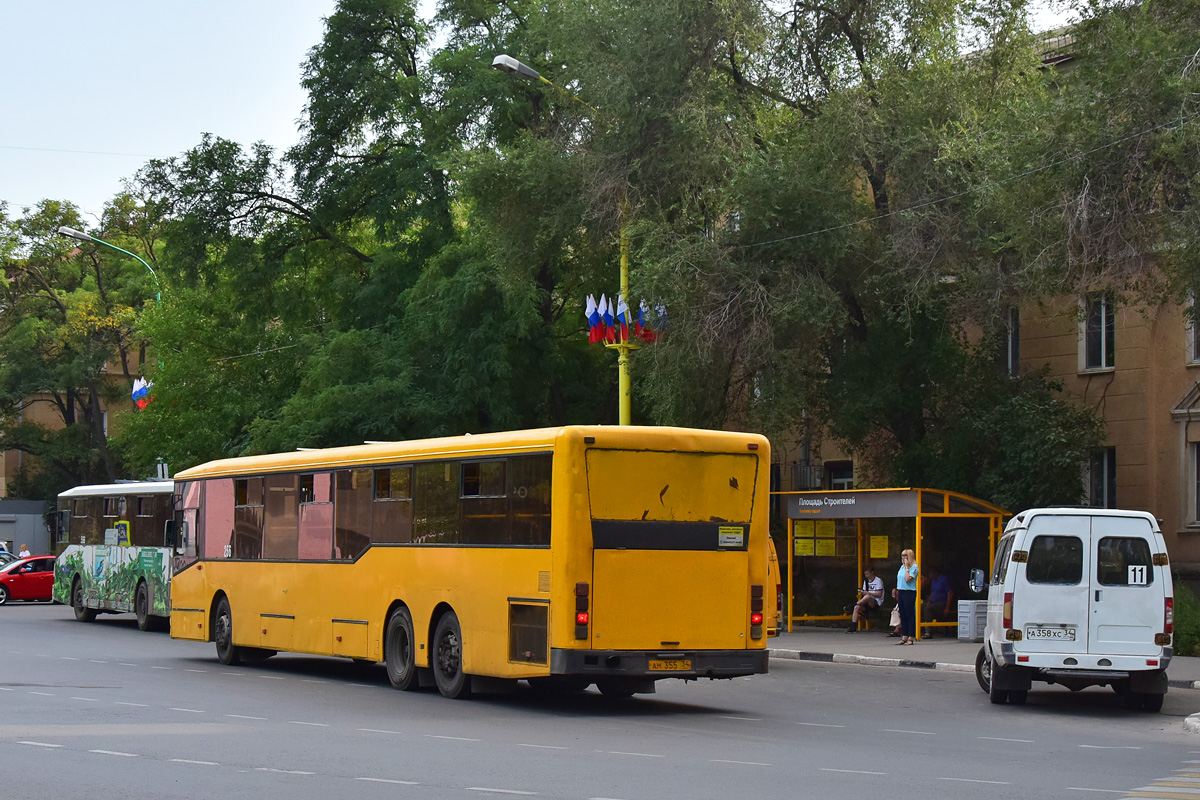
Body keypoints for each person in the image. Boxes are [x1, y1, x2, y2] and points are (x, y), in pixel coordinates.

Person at [892, 549, 919, 645]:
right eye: (902, 557)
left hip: (909, 592)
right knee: (902, 614)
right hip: (901, 591)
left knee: (909, 614)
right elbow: (900, 579)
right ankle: (904, 636)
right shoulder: (901, 567)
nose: (903, 559)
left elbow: (908, 579)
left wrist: (907, 567)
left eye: (905, 557)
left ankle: (911, 637)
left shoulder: (914, 567)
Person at [846, 566, 884, 632]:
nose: (866, 576)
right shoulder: (866, 581)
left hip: (876, 602)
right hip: (866, 602)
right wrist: (862, 592)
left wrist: (868, 593)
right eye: (865, 574)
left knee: (868, 596)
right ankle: (853, 626)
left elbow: (879, 594)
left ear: (872, 573)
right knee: (856, 607)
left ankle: (851, 605)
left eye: (867, 574)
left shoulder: (878, 581)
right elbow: (865, 593)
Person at [922, 566, 955, 638]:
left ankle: (928, 631)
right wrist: (929, 601)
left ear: (935, 573)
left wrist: (947, 608)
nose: (930, 575)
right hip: (933, 602)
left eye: (931, 573)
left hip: (942, 603)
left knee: (928, 609)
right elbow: (933, 592)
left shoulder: (944, 579)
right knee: (921, 607)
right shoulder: (933, 581)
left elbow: (950, 593)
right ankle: (917, 629)